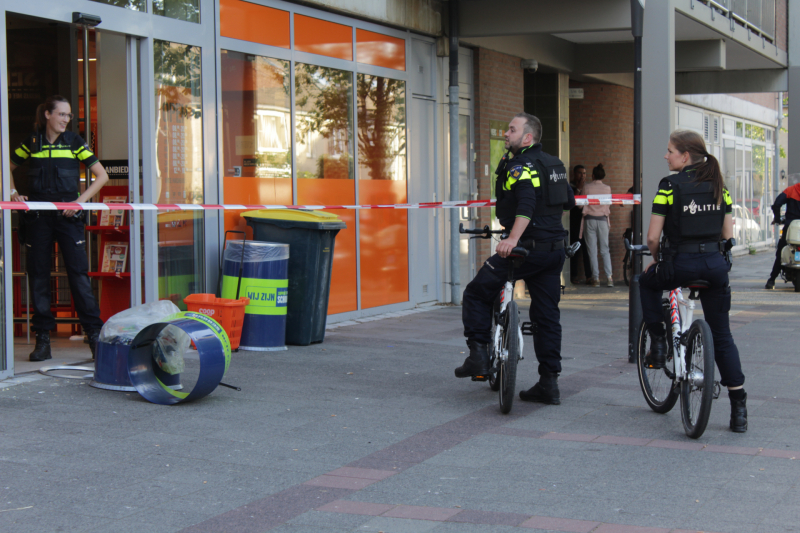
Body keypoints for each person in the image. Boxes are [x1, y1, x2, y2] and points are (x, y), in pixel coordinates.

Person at [457, 112, 575, 405]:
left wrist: (512, 239)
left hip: (526, 249)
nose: (506, 134)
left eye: (512, 130)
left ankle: (478, 355)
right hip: (554, 251)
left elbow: (527, 203)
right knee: (547, 316)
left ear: (527, 138)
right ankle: (549, 383)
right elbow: (568, 202)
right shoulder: (555, 164)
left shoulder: (519, 166)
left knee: (476, 292)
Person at [639, 129, 747, 433]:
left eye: (670, 151)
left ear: (685, 156)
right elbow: (728, 236)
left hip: (679, 266)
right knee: (722, 336)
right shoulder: (719, 186)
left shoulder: (669, 186)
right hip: (714, 268)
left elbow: (652, 237)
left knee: (645, 281)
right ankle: (739, 408)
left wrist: (657, 259)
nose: (666, 156)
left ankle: (658, 342)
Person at [9, 95, 109, 362]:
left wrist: (79, 202)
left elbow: (102, 175)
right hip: (38, 218)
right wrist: (12, 193)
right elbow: (6, 167)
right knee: (39, 276)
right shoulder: (32, 142)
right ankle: (43, 340)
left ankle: (94, 337)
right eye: (62, 114)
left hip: (68, 218)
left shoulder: (74, 141)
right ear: (48, 115)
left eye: (68, 115)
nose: (66, 119)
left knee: (78, 276)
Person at [581, 163, 613, 287]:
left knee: (592, 250)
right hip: (603, 220)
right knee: (605, 249)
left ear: (593, 175)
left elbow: (580, 204)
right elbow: (608, 204)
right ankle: (609, 277)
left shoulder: (587, 187)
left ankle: (596, 278)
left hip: (589, 220)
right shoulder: (607, 188)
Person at [765, 180, 800, 289]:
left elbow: (777, 204)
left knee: (781, 252)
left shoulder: (791, 190)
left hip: (791, 227)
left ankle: (772, 280)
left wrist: (777, 218)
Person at [569, 165, 592, 284]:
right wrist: (578, 188)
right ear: (574, 173)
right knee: (575, 249)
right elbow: (572, 202)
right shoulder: (570, 186)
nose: (582, 176)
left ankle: (589, 276)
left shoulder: (587, 187)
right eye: (580, 173)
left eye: (584, 173)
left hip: (586, 221)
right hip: (574, 222)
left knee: (587, 249)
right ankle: (574, 276)